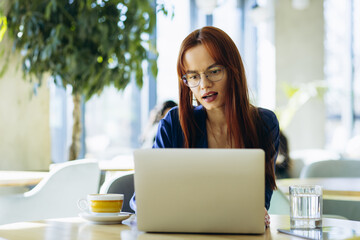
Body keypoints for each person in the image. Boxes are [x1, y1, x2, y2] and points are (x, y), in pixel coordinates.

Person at [132, 26, 279, 228]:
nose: (204, 85)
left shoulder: (263, 123)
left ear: (233, 71)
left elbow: (260, 200)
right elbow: (143, 198)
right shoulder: (174, 123)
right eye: (193, 76)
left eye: (214, 71)